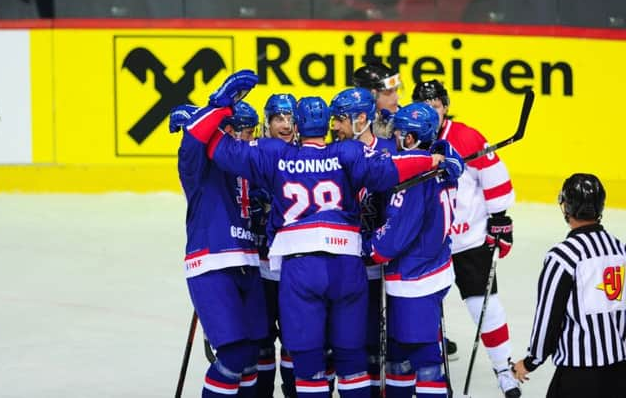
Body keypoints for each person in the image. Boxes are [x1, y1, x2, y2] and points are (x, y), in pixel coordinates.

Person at [181, 70, 464, 398]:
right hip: (348, 265)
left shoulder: (277, 155)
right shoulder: (346, 154)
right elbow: (390, 170)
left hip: (301, 268)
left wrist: (204, 115)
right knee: (352, 359)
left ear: (298, 128)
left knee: (308, 362)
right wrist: (432, 158)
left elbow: (217, 149)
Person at [412, 79, 521, 397]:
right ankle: (431, 372)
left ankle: (504, 369)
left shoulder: (465, 136)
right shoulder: (410, 136)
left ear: (445, 106)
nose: (432, 111)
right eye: (425, 105)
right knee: (425, 311)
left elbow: (494, 175)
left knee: (486, 308)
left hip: (469, 241)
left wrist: (500, 219)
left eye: (436, 105)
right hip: (429, 245)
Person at [169, 81, 268, 398]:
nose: (246, 138)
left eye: (251, 131)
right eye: (238, 130)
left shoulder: (248, 166)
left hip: (247, 264)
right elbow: (195, 136)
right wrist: (221, 103)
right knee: (234, 354)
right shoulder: (198, 164)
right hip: (212, 263)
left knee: (252, 354)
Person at [371, 102, 462, 398]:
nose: (395, 137)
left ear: (410, 139)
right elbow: (450, 153)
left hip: (416, 277)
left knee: (425, 361)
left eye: (398, 133)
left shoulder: (413, 177)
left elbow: (396, 236)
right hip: (432, 267)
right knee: (398, 356)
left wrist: (371, 246)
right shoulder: (442, 163)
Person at [512, 173, 626, 398]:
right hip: (620, 372)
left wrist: (530, 361)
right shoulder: (620, 250)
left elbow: (548, 317)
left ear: (566, 208)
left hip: (579, 376)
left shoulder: (562, 257)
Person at [330, 86, 396, 398]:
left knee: (382, 340)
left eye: (340, 118)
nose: (334, 126)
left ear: (360, 118)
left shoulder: (389, 150)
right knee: (348, 341)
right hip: (343, 263)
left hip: (380, 263)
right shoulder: (332, 152)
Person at [254, 93, 298, 398]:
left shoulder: (308, 159)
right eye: (278, 118)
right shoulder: (252, 157)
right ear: (267, 123)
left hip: (296, 272)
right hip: (261, 270)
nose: (285, 125)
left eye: (290, 118)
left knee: (297, 343)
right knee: (262, 342)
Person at [352, 60, 401, 139]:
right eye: (389, 92)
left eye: (396, 90)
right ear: (371, 96)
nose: (396, 97)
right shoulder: (352, 125)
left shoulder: (405, 123)